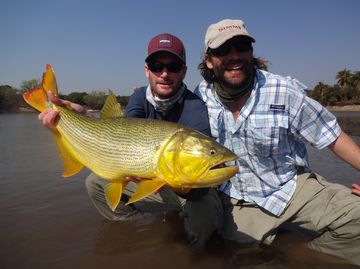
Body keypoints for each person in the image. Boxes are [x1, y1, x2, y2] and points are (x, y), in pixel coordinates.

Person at [195, 19, 360, 264]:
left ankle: (304, 254)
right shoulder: (200, 97)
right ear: (209, 60)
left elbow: (332, 135)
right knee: (237, 255)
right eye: (223, 50)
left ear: (250, 52)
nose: (234, 56)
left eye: (241, 46)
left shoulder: (283, 91)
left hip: (292, 186)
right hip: (237, 197)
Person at [38, 33, 222, 251]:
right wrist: (82, 116)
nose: (164, 73)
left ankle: (191, 249)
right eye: (156, 66)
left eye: (173, 66)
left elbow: (199, 187)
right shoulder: (139, 97)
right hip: (148, 173)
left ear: (183, 71)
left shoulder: (195, 107)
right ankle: (131, 229)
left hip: (185, 187)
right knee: (95, 184)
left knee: (203, 207)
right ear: (147, 70)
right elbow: (120, 132)